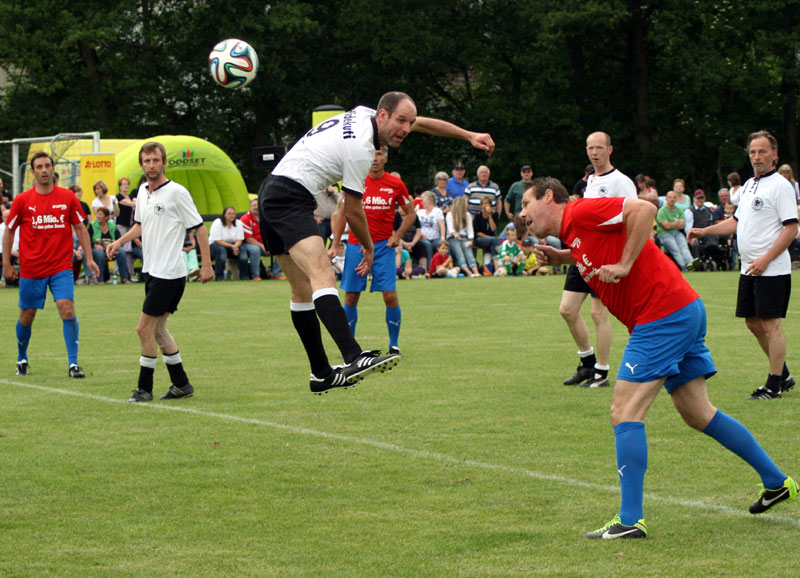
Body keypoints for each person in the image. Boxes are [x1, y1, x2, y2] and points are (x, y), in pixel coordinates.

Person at [521, 176, 797, 540]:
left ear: (548, 197)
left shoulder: (581, 210)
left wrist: (623, 264)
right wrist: (562, 255)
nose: (522, 213)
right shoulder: (574, 232)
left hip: (662, 315)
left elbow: (643, 209)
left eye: (526, 204)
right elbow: (594, 247)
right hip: (679, 309)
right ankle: (777, 481)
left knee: (624, 412)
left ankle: (630, 519)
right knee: (699, 413)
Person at [258, 91, 494, 393]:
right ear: (382, 116)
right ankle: (353, 356)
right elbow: (354, 210)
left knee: (302, 289)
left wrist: (469, 135)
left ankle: (321, 373)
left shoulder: (366, 114)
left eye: (409, 122)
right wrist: (369, 248)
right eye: (400, 121)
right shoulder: (360, 148)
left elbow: (423, 123)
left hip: (272, 190)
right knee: (323, 274)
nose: (406, 129)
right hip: (290, 195)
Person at [689, 130, 798, 399]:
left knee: (771, 325)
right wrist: (705, 231)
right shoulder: (749, 184)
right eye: (752, 152)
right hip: (749, 267)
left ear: (774, 154)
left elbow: (791, 228)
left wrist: (766, 259)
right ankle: (782, 373)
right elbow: (736, 222)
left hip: (771, 269)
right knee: (752, 322)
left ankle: (774, 385)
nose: (757, 157)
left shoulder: (781, 186)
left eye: (762, 152)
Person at [107, 141, 213, 403]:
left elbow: (199, 227)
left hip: (169, 274)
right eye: (147, 161)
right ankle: (181, 384)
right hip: (153, 272)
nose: (151, 165)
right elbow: (140, 226)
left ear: (164, 162)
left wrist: (207, 264)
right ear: (142, 164)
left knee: (144, 329)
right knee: (158, 330)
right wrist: (119, 242)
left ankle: (144, 389)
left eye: (156, 160)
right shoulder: (143, 191)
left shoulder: (177, 192)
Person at [3, 151, 99, 377]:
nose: (44, 170)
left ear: (53, 169)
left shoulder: (67, 197)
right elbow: (9, 230)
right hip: (32, 268)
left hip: (60, 268)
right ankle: (22, 358)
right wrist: (6, 262)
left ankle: (73, 364)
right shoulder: (22, 200)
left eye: (47, 166)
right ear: (33, 171)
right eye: (39, 167)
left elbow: (80, 228)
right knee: (27, 315)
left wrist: (90, 258)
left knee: (66, 307)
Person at [560, 131, 636, 390]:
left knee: (597, 312)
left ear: (610, 150)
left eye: (600, 148)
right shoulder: (589, 181)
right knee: (567, 310)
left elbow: (634, 219)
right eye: (591, 148)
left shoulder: (621, 181)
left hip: (604, 258)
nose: (595, 152)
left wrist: (623, 259)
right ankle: (587, 363)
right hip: (582, 255)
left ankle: (601, 372)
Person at [330, 145, 416, 355]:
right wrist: (334, 244)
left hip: (382, 247)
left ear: (386, 158)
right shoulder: (355, 181)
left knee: (389, 296)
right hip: (355, 246)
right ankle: (348, 348)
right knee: (351, 296)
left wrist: (397, 236)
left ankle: (394, 345)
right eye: (372, 154)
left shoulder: (395, 184)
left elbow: (410, 214)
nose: (375, 159)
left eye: (380, 154)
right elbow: (342, 215)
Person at [241, 197, 284, 280]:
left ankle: (276, 273)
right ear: (250, 207)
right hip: (249, 244)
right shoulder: (245, 218)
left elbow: (272, 233)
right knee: (255, 250)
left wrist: (269, 244)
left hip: (264, 244)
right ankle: (256, 276)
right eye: (254, 205)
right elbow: (248, 239)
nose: (256, 207)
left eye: (258, 205)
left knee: (282, 248)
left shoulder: (266, 217)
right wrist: (262, 246)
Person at [88, 206, 133, 283]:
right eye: (97, 214)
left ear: (106, 217)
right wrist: (95, 245)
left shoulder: (113, 226)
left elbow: (118, 239)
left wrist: (114, 247)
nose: (98, 216)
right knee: (99, 254)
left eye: (100, 215)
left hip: (111, 248)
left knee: (121, 251)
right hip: (96, 249)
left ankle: (125, 278)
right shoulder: (92, 225)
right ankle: (100, 280)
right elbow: (88, 240)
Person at [656, 190, 696, 271]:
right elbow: (666, 227)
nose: (672, 199)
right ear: (666, 199)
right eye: (670, 197)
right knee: (676, 249)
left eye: (674, 197)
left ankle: (692, 265)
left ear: (676, 199)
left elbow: (682, 225)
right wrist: (677, 223)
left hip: (677, 232)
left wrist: (671, 223)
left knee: (684, 247)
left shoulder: (679, 210)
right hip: (664, 234)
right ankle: (685, 267)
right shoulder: (662, 211)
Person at [445, 196, 481, 277]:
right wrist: (456, 235)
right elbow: (450, 229)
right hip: (453, 238)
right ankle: (468, 272)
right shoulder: (450, 215)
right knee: (460, 253)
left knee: (469, 253)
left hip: (464, 237)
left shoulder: (467, 215)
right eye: (466, 204)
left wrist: (471, 239)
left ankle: (476, 271)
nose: (467, 206)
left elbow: (470, 229)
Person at [209, 205, 247, 280]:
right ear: (224, 215)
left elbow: (240, 239)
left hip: (232, 245)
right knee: (221, 250)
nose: (232, 215)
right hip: (214, 245)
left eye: (233, 213)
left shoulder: (238, 223)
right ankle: (219, 277)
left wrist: (235, 247)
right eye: (229, 213)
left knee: (243, 250)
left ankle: (244, 276)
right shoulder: (217, 222)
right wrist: (233, 247)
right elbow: (218, 241)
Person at [473, 196, 501, 274]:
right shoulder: (478, 216)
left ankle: (492, 269)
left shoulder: (494, 215)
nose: (485, 205)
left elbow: (493, 229)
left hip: (491, 240)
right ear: (481, 205)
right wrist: (490, 237)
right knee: (495, 240)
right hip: (480, 239)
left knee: (493, 244)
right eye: (483, 203)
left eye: (487, 203)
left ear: (490, 205)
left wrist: (489, 216)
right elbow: (477, 232)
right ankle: (498, 265)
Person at [417, 190, 446, 268]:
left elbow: (442, 225)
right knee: (427, 245)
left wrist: (442, 238)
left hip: (435, 237)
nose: (422, 203)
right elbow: (416, 226)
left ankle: (445, 266)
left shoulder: (437, 211)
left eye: (423, 201)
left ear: (429, 201)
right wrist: (421, 235)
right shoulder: (419, 212)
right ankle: (429, 267)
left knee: (441, 245)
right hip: (423, 237)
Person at [684, 189, 716, 259]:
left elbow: (711, 223)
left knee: (715, 242)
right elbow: (688, 228)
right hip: (695, 234)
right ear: (694, 199)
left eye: (702, 198)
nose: (700, 200)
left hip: (706, 234)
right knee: (696, 244)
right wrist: (692, 236)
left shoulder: (708, 210)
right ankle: (697, 261)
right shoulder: (690, 211)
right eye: (698, 198)